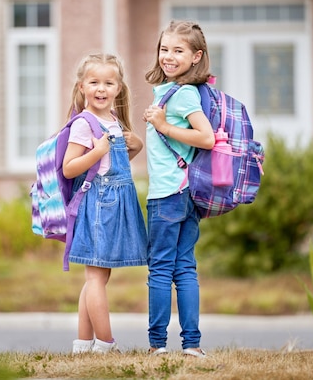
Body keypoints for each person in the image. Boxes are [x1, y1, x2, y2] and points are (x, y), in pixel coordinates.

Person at [62, 53, 148, 354]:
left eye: (109, 83)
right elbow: (70, 168)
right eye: (94, 82)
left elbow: (112, 165)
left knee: (99, 275)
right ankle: (106, 343)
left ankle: (83, 343)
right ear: (82, 86)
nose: (101, 88)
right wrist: (98, 151)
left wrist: (133, 145)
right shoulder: (84, 124)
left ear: (119, 88)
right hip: (99, 204)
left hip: (115, 201)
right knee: (96, 275)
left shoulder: (112, 120)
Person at [142, 20, 216, 358]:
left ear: (196, 56)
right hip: (186, 194)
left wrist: (162, 125)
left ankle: (157, 345)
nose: (168, 56)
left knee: (160, 268)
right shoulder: (172, 90)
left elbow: (206, 138)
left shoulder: (183, 93)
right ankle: (192, 346)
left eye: (178, 51)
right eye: (164, 49)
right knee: (184, 266)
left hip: (167, 195)